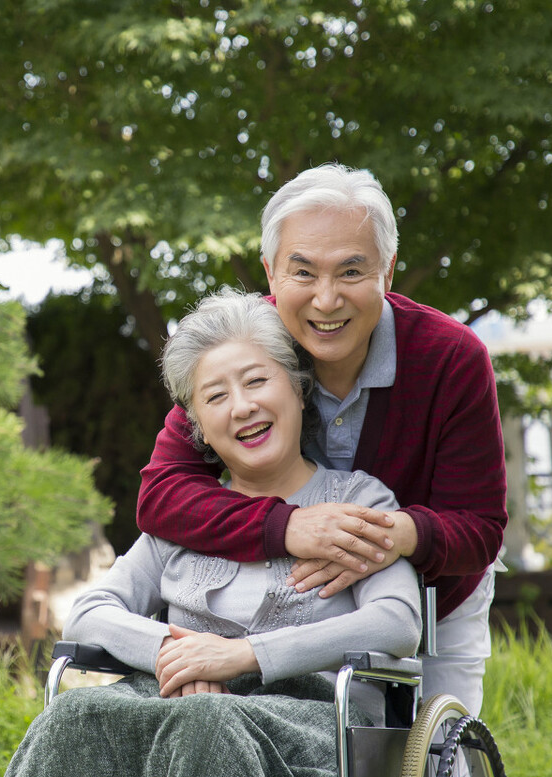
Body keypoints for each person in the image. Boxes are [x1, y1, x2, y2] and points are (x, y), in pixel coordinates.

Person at [0, 289, 422, 777]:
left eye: (257, 381)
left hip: (310, 718)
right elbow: (89, 611)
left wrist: (241, 656)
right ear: (198, 427)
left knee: (207, 724)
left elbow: (397, 623)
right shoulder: (189, 514)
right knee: (75, 713)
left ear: (298, 390)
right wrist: (178, 655)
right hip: (172, 704)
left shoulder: (356, 501)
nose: (242, 407)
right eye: (216, 396)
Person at [137, 163, 508, 715]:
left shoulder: (450, 358)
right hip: (271, 603)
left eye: (351, 272)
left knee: (433, 766)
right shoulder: (243, 348)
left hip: (427, 599)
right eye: (303, 273)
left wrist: (383, 535)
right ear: (270, 273)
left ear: (387, 272)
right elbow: (162, 494)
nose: (326, 300)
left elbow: (479, 528)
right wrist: (288, 525)